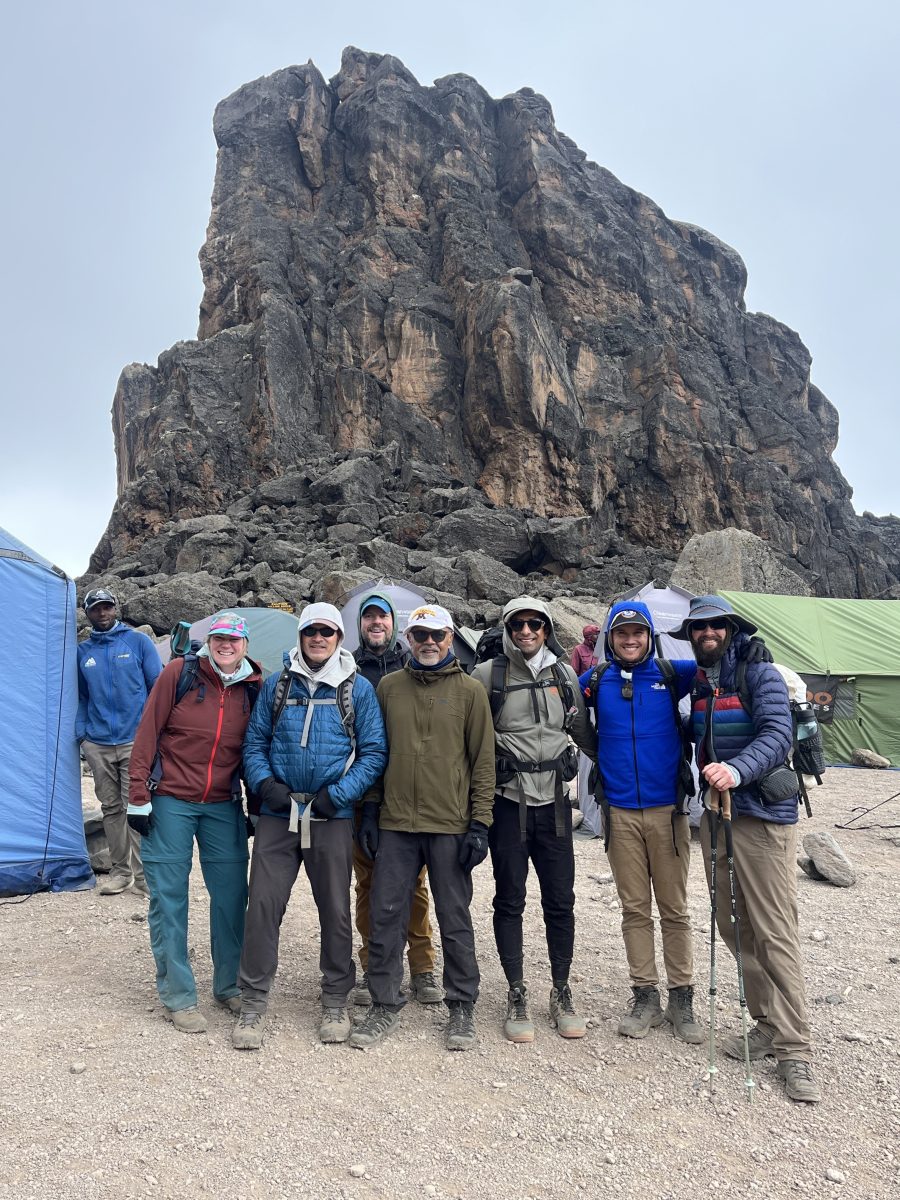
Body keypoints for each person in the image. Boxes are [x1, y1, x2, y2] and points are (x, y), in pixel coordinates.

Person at [674, 593, 821, 1103]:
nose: (706, 633)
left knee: (773, 928)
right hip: (718, 817)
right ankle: (766, 1023)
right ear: (690, 635)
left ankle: (795, 1049)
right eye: (698, 627)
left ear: (731, 630)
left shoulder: (760, 675)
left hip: (762, 817)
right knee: (733, 924)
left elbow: (778, 734)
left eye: (715, 626)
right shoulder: (698, 681)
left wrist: (735, 770)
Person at [234, 602, 387, 1049]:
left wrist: (337, 795)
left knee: (335, 910)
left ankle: (336, 998)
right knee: (263, 904)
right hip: (279, 815)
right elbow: (255, 741)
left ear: (340, 638)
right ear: (300, 636)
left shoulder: (356, 690)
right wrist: (265, 785)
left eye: (327, 631)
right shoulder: (278, 686)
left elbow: (374, 752)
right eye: (310, 631)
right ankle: (253, 1001)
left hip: (330, 815)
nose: (318, 638)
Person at [349, 604, 495, 1052]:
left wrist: (480, 824)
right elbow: (376, 752)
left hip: (450, 823)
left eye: (436, 635)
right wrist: (371, 810)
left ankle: (462, 1004)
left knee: (454, 917)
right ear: (407, 640)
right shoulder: (389, 688)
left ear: (450, 638)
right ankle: (384, 1003)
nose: (428, 643)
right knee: (385, 912)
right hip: (395, 822)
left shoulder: (471, 692)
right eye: (419, 636)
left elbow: (483, 762)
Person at [126, 613, 262, 1033]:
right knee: (169, 896)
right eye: (219, 638)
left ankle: (229, 984)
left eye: (234, 640)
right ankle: (178, 994)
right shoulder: (179, 673)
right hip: (170, 799)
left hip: (223, 803)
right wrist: (137, 797)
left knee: (231, 897)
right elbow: (147, 732)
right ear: (210, 641)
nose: (226, 645)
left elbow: (256, 748)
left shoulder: (255, 686)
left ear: (244, 645)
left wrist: (255, 804)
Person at [472, 597, 595, 1042]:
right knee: (510, 899)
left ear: (546, 629)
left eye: (535, 624)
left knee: (561, 900)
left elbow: (579, 729)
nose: (526, 631)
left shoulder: (563, 675)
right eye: (518, 624)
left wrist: (611, 771)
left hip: (556, 805)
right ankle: (516, 990)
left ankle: (561, 989)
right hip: (509, 803)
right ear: (507, 628)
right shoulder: (488, 675)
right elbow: (471, 740)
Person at [581, 601, 703, 1044]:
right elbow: (555, 697)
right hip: (619, 813)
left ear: (650, 636)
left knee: (674, 909)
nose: (630, 640)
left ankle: (682, 997)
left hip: (668, 812)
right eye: (621, 633)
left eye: (638, 633)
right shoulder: (594, 680)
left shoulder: (673, 675)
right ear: (610, 640)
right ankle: (645, 995)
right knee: (634, 909)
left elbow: (715, 657)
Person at [351, 590, 442, 1007]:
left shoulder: (414, 665)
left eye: (382, 618)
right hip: (362, 792)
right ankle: (372, 962)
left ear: (394, 625)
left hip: (411, 792)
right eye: (369, 617)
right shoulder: (346, 667)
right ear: (361, 624)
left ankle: (422, 966)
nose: (375, 624)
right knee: (368, 882)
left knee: (415, 884)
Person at [76, 588, 162, 896]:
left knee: (136, 806)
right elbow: (81, 697)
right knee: (110, 808)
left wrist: (152, 732)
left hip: (134, 740)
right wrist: (83, 734)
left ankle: (143, 877)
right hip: (97, 743)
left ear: (116, 608)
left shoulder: (138, 642)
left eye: (107, 607)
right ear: (88, 613)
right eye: (96, 608)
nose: (102, 613)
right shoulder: (82, 652)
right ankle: (119, 871)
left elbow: (157, 687)